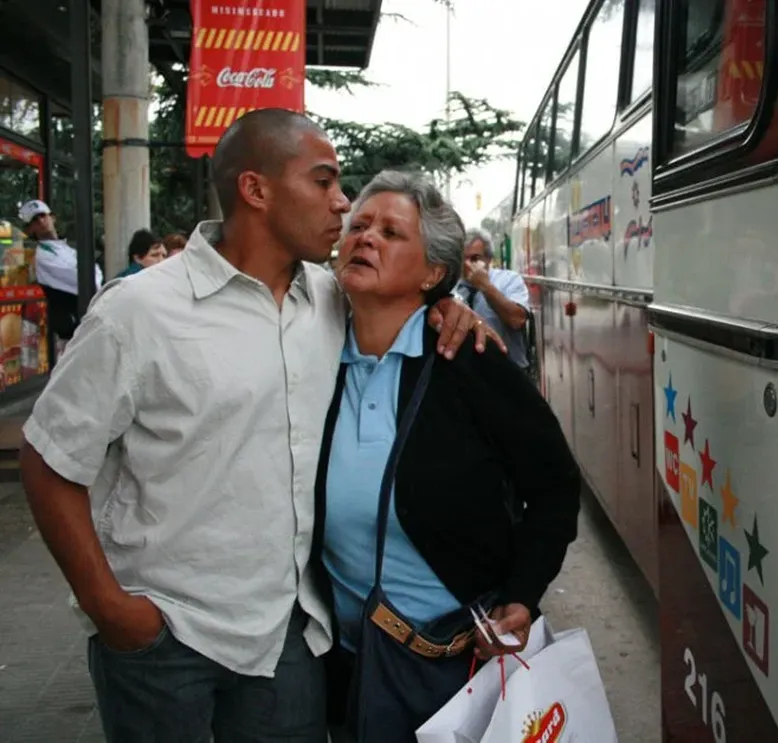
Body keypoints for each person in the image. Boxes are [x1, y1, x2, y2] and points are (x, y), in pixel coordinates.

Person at [18, 110, 499, 743]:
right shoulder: (139, 311)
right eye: (324, 182)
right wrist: (112, 610)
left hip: (289, 635)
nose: (342, 202)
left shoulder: (329, 300)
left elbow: (405, 297)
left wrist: (449, 309)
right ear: (256, 189)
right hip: (165, 639)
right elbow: (48, 460)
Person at [317, 170, 581, 741]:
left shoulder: (467, 359)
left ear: (434, 272)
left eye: (391, 232)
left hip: (454, 662)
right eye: (359, 225)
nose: (365, 237)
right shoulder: (310, 354)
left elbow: (556, 484)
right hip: (341, 657)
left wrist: (522, 595)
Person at [19, 198, 103, 347]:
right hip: (72, 333)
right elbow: (86, 280)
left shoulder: (67, 249)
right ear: (30, 229)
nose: (41, 221)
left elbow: (94, 272)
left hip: (86, 326)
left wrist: (92, 273)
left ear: (53, 218)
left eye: (43, 215)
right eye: (35, 220)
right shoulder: (43, 257)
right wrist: (91, 273)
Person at [454, 227, 532, 370]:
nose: (467, 265)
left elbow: (516, 320)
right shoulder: (452, 287)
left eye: (474, 259)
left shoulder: (509, 280)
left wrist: (484, 286)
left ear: (488, 259)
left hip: (507, 370)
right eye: (462, 259)